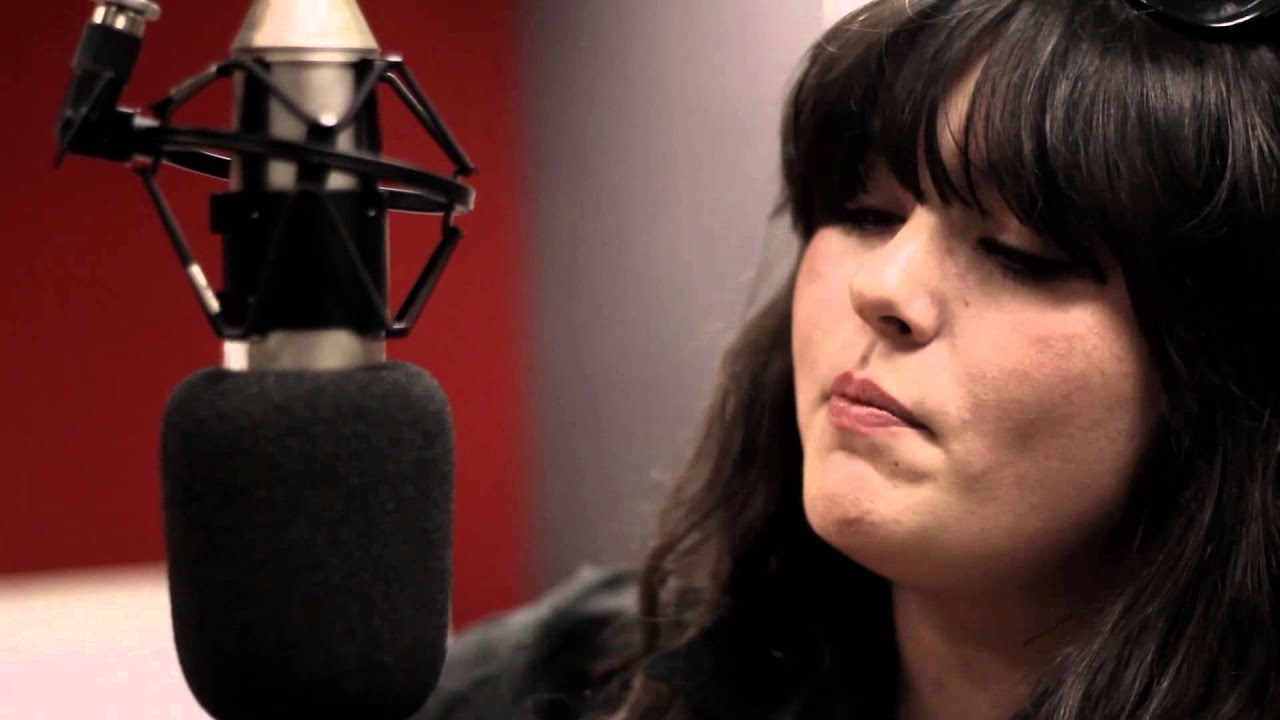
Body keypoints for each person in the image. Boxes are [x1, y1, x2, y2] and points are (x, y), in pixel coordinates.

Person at [417, 0, 1280, 718]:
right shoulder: (566, 677)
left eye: (1023, 253)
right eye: (866, 214)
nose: (883, 286)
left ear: (1217, 367)